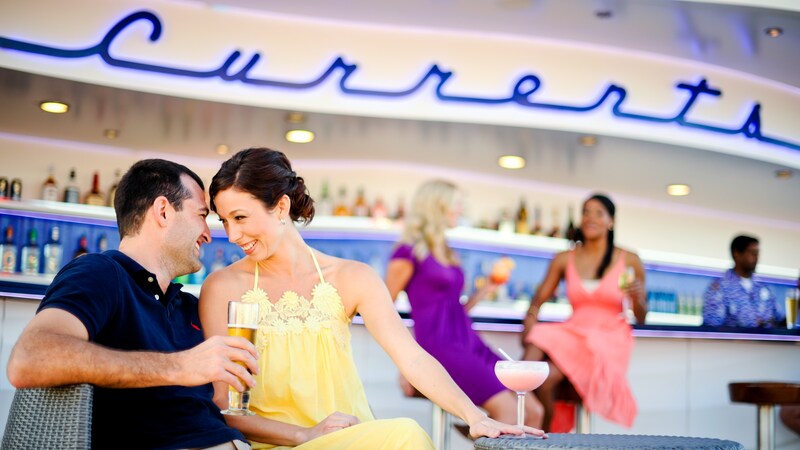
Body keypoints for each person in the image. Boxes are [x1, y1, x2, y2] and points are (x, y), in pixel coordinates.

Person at [199, 148, 543, 450]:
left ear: (281, 207)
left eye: (240, 218)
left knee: (403, 435)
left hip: (352, 438)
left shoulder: (352, 277)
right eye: (224, 220)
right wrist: (304, 435)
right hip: (277, 443)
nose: (231, 235)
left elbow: (412, 358)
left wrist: (474, 417)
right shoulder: (222, 287)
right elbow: (224, 405)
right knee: (406, 435)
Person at [6, 159, 259, 449]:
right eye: (201, 215)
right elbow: (30, 358)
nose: (208, 233)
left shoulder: (188, 305)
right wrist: (180, 366)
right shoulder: (100, 272)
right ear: (163, 211)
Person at [384, 179, 544, 428]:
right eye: (456, 204)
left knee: (533, 411)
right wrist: (408, 361)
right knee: (509, 413)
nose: (460, 210)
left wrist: (486, 289)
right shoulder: (407, 252)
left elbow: (454, 310)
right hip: (442, 349)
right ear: (438, 206)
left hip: (470, 342)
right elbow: (382, 309)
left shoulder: (445, 252)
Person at [521, 193, 646, 431]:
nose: (590, 218)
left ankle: (512, 409)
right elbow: (538, 301)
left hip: (608, 338)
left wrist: (637, 296)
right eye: (586, 212)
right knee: (545, 377)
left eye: (598, 213)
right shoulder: (564, 259)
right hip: (574, 332)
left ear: (611, 221)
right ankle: (540, 433)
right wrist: (530, 317)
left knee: (540, 339)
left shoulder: (629, 259)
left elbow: (641, 317)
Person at [702, 235, 781, 328]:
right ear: (737, 254)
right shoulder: (720, 287)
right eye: (752, 253)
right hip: (733, 343)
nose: (756, 258)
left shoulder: (763, 287)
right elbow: (711, 327)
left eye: (757, 253)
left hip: (766, 343)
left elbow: (780, 322)